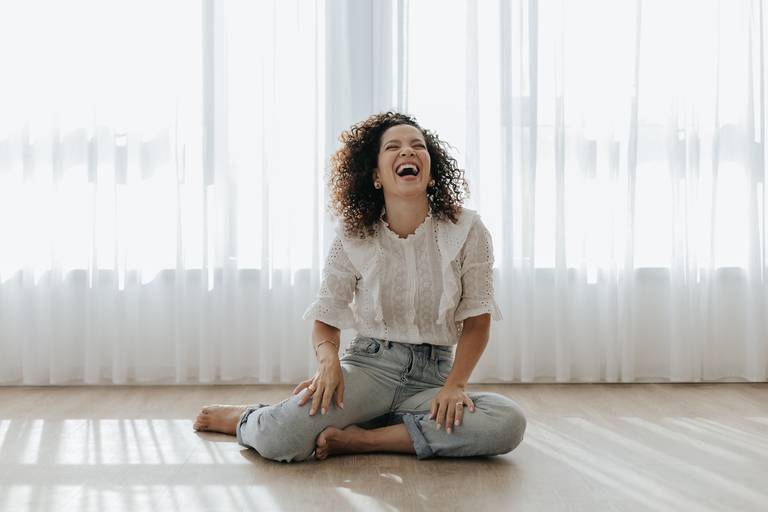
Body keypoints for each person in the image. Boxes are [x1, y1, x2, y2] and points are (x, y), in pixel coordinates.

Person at [193, 112, 526, 462]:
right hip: (370, 369)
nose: (407, 152)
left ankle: (362, 439)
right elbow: (327, 312)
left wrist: (455, 385)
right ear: (376, 176)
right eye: (393, 147)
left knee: (505, 421)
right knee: (281, 439)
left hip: (434, 378)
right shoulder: (353, 237)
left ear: (430, 168)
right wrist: (328, 364)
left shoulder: (468, 230)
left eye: (417, 146)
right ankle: (251, 418)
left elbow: (477, 319)